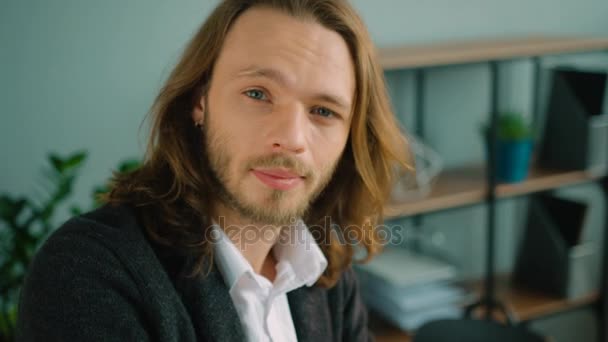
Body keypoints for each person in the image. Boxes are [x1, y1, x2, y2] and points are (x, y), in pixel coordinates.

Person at [16, 0, 411, 341]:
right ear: (199, 100)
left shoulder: (324, 267)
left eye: (323, 112)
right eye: (257, 94)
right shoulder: (88, 272)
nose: (292, 138)